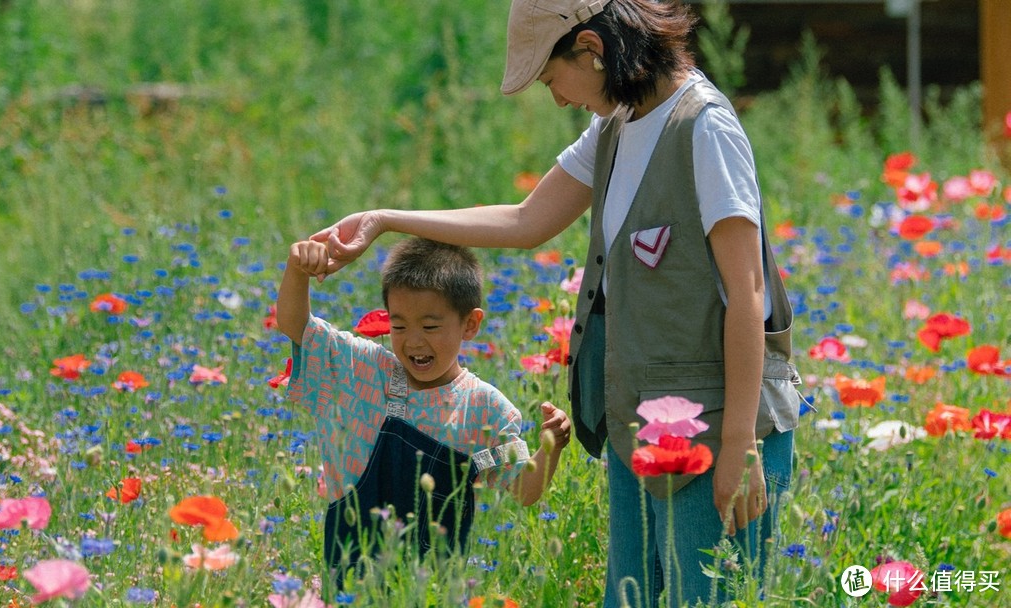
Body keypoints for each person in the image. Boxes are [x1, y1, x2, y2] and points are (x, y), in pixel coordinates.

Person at [308, 1, 802, 606]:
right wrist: (383, 220)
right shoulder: (617, 126)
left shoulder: (703, 128)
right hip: (639, 422)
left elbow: (746, 293)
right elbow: (526, 219)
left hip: (721, 427)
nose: (557, 99)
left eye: (551, 78)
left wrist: (741, 445)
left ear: (591, 49)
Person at [276, 236, 571, 588]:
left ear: (470, 324)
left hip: (432, 587)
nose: (413, 341)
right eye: (399, 326)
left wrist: (550, 445)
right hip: (350, 580)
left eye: (430, 326)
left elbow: (524, 489)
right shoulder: (364, 372)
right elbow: (298, 326)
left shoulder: (486, 410)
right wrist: (298, 270)